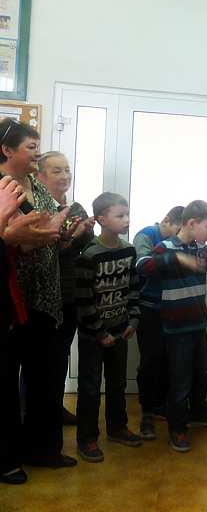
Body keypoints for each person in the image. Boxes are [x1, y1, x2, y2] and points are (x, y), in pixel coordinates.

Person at [0, 118, 75, 468]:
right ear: (6, 150)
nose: (37, 153)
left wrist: (60, 233)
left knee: (44, 378)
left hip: (45, 297)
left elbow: (46, 227)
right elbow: (15, 236)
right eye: (31, 147)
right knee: (6, 383)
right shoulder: (3, 187)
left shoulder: (35, 184)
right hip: (12, 299)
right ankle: (9, 457)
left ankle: (43, 450)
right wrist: (27, 237)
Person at [137, 200, 207, 453]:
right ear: (191, 223)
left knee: (201, 372)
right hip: (176, 328)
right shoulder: (166, 246)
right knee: (180, 380)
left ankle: (199, 412)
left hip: (198, 324)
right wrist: (177, 258)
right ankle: (177, 428)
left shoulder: (202, 249)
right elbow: (143, 266)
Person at [1, 175, 61, 484]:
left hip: (19, 306)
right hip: (18, 300)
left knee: (31, 381)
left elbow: (14, 251)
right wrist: (8, 234)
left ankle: (29, 451)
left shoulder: (31, 190)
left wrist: (26, 239)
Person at [74, 192, 142, 462]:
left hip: (120, 330)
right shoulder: (89, 255)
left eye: (127, 214)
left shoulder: (129, 250)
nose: (126, 220)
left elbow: (133, 288)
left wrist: (133, 320)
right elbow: (83, 300)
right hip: (94, 335)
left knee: (117, 384)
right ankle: (87, 438)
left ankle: (117, 427)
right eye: (120, 215)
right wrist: (100, 332)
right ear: (101, 219)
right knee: (90, 387)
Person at [36, 151, 95, 427]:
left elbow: (86, 249)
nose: (64, 176)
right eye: (56, 170)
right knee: (39, 359)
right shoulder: (35, 209)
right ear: (40, 176)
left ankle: (54, 408)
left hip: (70, 294)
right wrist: (68, 238)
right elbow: (41, 253)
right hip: (41, 296)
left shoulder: (76, 208)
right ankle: (33, 412)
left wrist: (85, 232)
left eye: (67, 170)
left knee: (60, 356)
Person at [132, 205, 184, 440]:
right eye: (178, 230)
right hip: (149, 308)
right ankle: (147, 412)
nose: (179, 236)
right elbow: (144, 266)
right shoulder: (146, 235)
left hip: (172, 308)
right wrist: (176, 258)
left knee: (168, 360)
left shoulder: (179, 240)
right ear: (166, 221)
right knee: (150, 361)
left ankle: (162, 406)